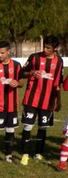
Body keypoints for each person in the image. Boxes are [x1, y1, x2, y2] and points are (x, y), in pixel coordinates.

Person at [20, 36, 63, 165]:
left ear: (55, 49)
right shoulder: (34, 57)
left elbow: (58, 83)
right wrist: (32, 73)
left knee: (43, 127)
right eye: (44, 46)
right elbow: (21, 73)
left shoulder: (59, 62)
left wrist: (58, 101)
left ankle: (38, 154)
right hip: (31, 99)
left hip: (48, 100)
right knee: (28, 126)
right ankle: (25, 154)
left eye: (48, 48)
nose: (45, 49)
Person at [0, 42, 23, 164]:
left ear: (9, 52)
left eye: (2, 53)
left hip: (12, 105)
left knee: (10, 131)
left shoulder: (17, 66)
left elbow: (21, 82)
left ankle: (8, 155)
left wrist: (17, 83)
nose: (0, 55)